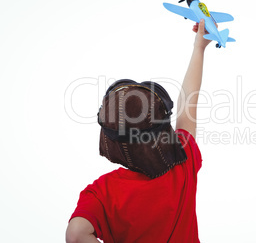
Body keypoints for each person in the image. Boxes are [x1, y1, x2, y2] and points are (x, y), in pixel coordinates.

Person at [66, 19, 212, 243]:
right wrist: (199, 48)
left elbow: (76, 234)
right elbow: (187, 109)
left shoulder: (103, 193)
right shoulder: (182, 161)